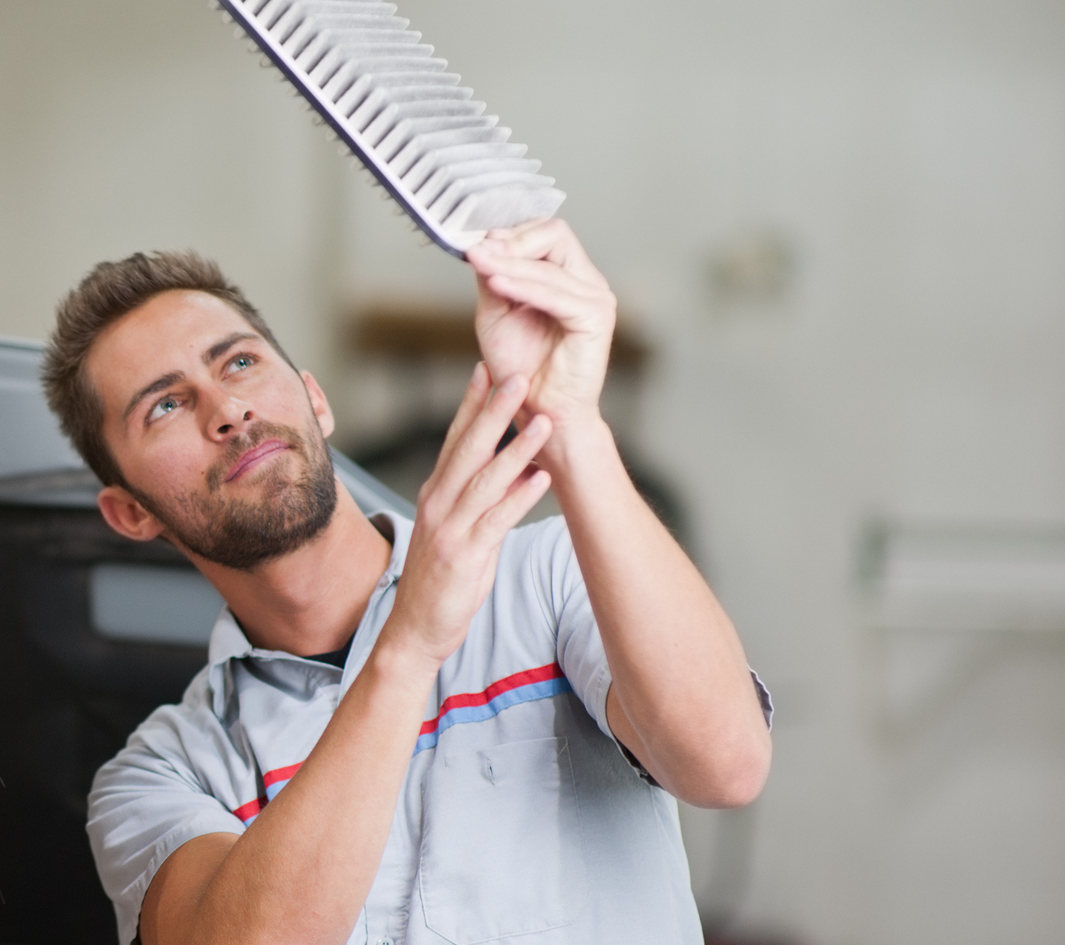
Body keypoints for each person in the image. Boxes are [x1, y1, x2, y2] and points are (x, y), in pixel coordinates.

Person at [42, 219, 774, 945]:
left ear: (314, 400)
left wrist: (572, 422)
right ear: (131, 513)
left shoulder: (549, 575)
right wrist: (409, 641)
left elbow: (727, 765)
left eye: (238, 364)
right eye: (165, 405)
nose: (227, 411)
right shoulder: (163, 774)